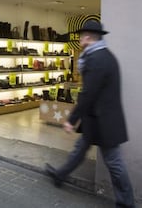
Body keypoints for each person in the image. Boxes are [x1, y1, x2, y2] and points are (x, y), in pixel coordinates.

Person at [45, 19, 135, 208]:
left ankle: (127, 203)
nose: (79, 40)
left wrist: (71, 119)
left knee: (114, 162)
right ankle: (61, 175)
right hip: (98, 119)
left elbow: (88, 93)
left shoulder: (97, 59)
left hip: (104, 121)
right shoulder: (103, 55)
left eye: (80, 37)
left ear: (87, 37)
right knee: (80, 149)